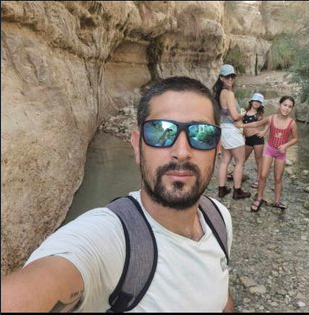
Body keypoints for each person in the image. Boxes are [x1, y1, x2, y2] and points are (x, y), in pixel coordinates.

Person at [1, 76, 234, 312]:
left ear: (217, 149)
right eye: (160, 131)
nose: (181, 152)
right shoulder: (110, 239)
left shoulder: (219, 218)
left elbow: (218, 293)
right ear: (137, 146)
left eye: (202, 134)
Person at [238, 96, 298, 212]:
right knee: (263, 175)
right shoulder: (271, 118)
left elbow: (295, 139)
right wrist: (242, 126)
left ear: (291, 109)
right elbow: (256, 124)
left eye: (289, 107)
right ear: (279, 104)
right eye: (285, 105)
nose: (286, 108)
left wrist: (286, 145)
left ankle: (277, 201)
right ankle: (259, 198)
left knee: (278, 178)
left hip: (281, 153)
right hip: (269, 150)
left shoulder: (292, 123)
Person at [213, 64, 251, 200]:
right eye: (227, 76)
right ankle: (237, 191)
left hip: (224, 129)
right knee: (240, 161)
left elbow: (224, 112)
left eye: (232, 76)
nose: (230, 79)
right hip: (231, 131)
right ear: (222, 78)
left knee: (225, 160)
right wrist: (244, 113)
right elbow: (235, 116)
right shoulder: (229, 93)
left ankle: (222, 189)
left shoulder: (220, 93)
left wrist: (234, 117)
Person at [242, 93, 269, 189]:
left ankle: (258, 180)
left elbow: (267, 123)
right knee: (242, 159)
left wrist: (264, 132)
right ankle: (238, 174)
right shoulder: (244, 112)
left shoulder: (259, 114)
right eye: (255, 101)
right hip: (247, 140)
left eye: (259, 102)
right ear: (251, 101)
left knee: (258, 160)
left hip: (257, 139)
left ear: (261, 104)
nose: (256, 103)